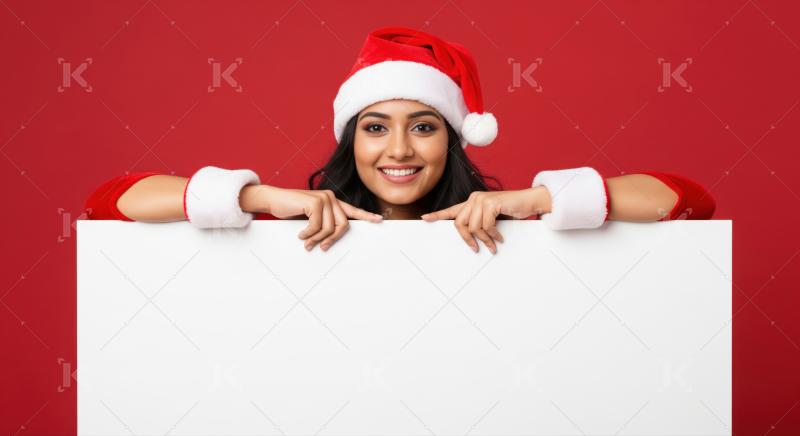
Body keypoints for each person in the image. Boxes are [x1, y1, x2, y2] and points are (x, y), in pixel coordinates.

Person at [85, 26, 716, 254]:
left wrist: (531, 201)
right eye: (375, 127)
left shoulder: (510, 231)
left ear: (452, 139)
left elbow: (688, 199)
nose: (399, 150)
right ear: (350, 141)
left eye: (422, 127)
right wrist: (261, 199)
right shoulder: (292, 232)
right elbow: (110, 200)